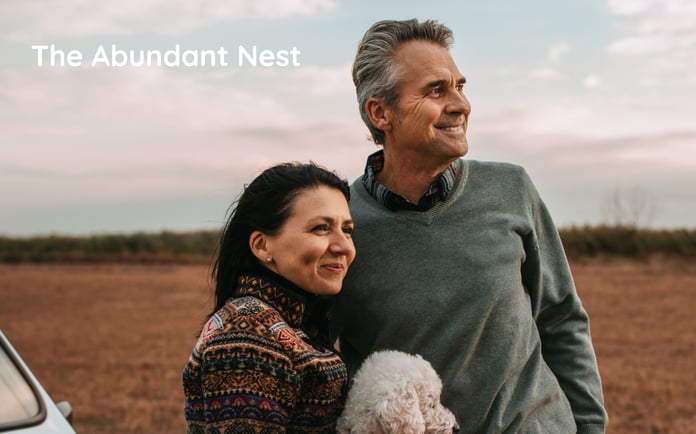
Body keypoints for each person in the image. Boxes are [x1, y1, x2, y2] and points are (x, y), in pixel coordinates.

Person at [331, 19, 607, 433]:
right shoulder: (343, 224)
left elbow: (561, 319)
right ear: (380, 113)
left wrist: (589, 428)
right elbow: (319, 362)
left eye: (459, 86)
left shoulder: (511, 188)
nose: (460, 104)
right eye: (435, 90)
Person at [183, 162, 356, 433]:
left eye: (347, 230)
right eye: (321, 228)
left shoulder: (290, 321)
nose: (344, 246)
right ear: (262, 245)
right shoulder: (248, 334)